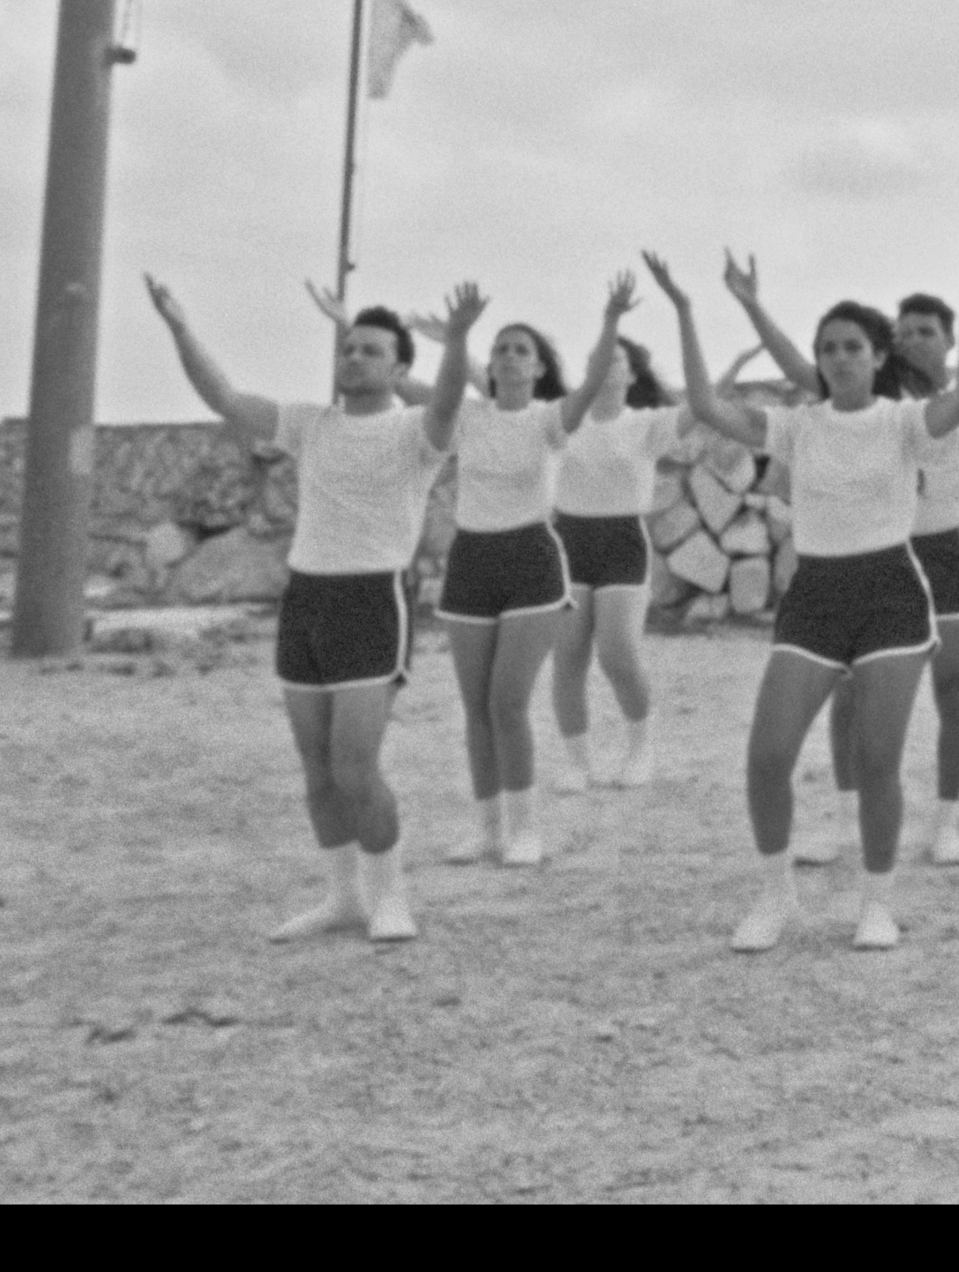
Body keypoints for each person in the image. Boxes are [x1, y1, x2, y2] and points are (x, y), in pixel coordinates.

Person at [648, 245, 959, 953]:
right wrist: (687, 308)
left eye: (852, 347)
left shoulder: (904, 421)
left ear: (878, 357)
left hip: (892, 597)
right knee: (767, 755)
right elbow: (708, 405)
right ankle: (775, 896)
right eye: (828, 348)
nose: (839, 358)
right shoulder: (798, 425)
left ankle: (877, 904)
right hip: (814, 597)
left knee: (878, 761)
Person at [733, 253, 959, 870]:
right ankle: (847, 822)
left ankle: (946, 823)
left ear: (950, 339)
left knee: (951, 688)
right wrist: (752, 305)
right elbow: (801, 366)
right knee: (848, 692)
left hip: (941, 554)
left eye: (924, 331)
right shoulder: (878, 400)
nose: (911, 341)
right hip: (875, 558)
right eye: (902, 332)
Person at [147, 275, 474, 944]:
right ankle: (343, 898)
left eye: (371, 350)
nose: (353, 357)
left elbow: (449, 400)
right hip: (306, 598)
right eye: (348, 348)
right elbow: (226, 399)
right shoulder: (310, 423)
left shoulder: (417, 431)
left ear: (400, 370)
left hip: (373, 598)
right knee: (318, 770)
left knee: (357, 767)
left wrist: (460, 338)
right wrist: (180, 326)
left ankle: (390, 898)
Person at [435, 315, 591, 867]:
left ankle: (525, 830)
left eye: (521, 349)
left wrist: (611, 320)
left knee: (507, 701)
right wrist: (453, 340)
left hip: (531, 560)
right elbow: (419, 391)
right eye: (500, 348)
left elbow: (591, 386)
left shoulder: (549, 418)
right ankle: (487, 830)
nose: (508, 355)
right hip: (470, 561)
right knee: (476, 706)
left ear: (539, 366)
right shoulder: (467, 416)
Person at [550, 272, 682, 793]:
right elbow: (491, 394)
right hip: (568, 541)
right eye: (597, 359)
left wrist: (732, 363)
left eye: (617, 359)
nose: (606, 365)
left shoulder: (646, 423)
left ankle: (640, 748)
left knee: (617, 654)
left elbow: (706, 406)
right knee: (568, 657)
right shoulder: (562, 419)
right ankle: (577, 762)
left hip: (623, 542)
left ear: (630, 374)